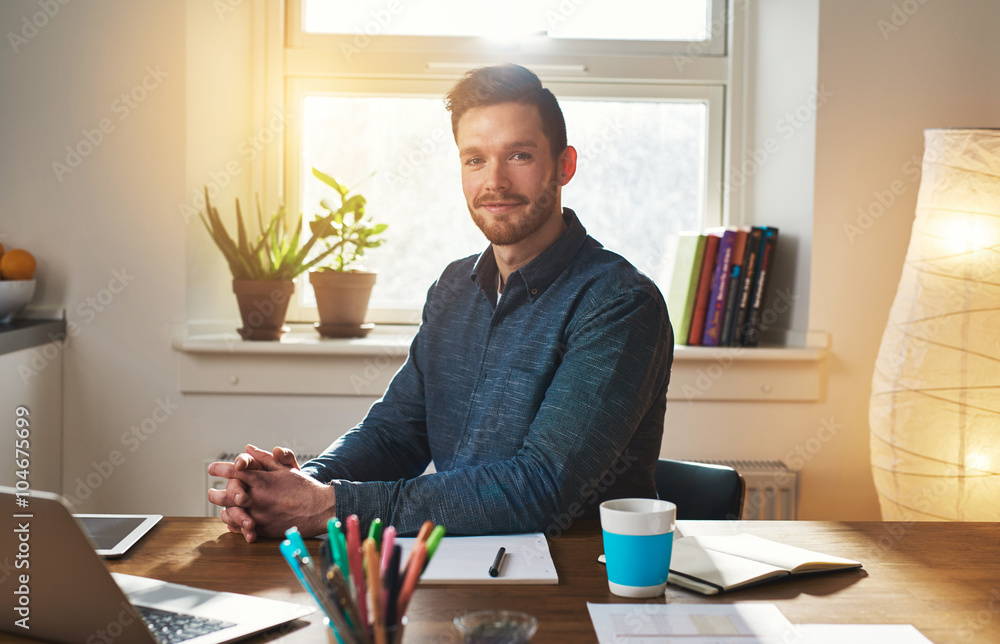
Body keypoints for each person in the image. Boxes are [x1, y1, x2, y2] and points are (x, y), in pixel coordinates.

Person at [208, 63, 674, 541]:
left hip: (578, 585)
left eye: (518, 155)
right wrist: (303, 482)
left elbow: (543, 487)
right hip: (456, 566)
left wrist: (329, 505)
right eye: (475, 160)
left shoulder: (619, 302)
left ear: (564, 165)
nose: (495, 181)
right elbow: (396, 434)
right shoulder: (453, 287)